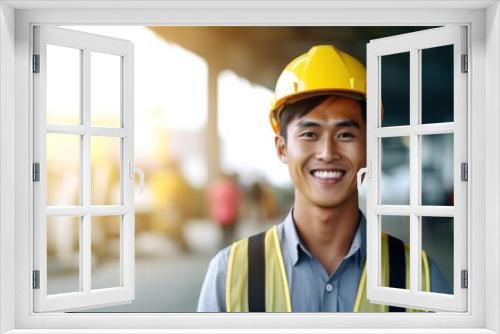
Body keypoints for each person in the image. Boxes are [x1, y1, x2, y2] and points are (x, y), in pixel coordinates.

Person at [197, 45, 450, 312]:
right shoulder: (230, 275)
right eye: (310, 134)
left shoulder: (420, 279)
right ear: (282, 149)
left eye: (345, 135)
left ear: (371, 148)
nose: (328, 153)